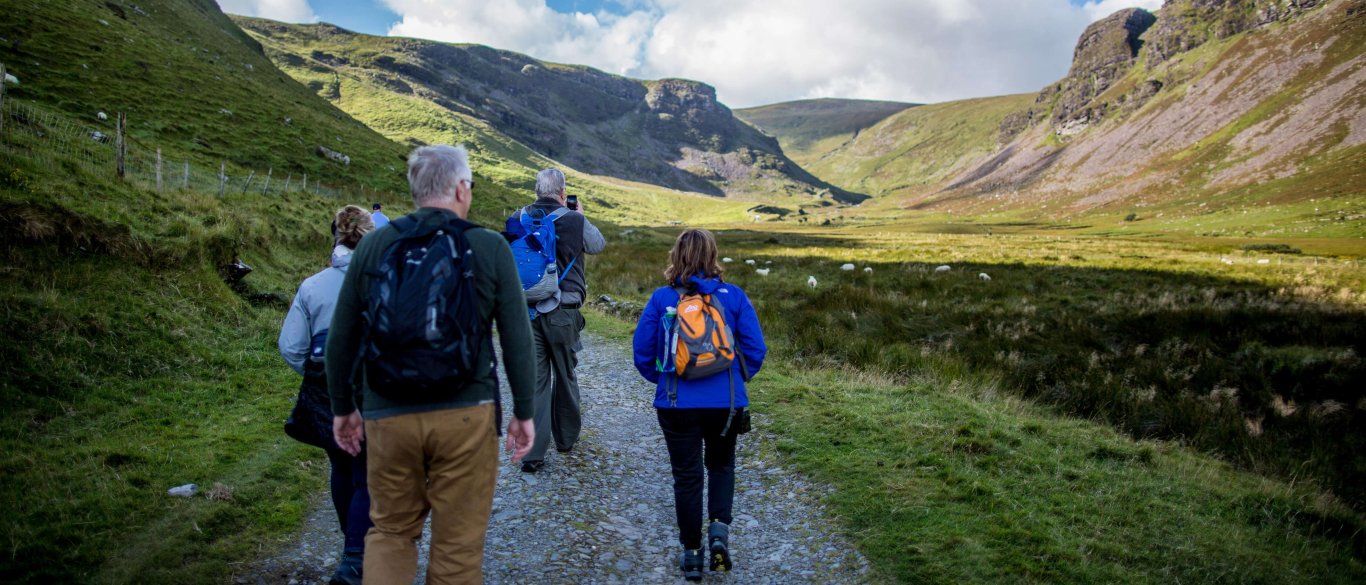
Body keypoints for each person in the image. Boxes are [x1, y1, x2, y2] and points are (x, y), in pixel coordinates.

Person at [325, 145, 537, 584]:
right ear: (461, 188)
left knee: (390, 532)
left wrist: (343, 407)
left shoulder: (375, 245)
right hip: (467, 414)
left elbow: (342, 337)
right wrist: (524, 412)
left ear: (416, 189)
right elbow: (518, 338)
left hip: (387, 412)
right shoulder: (489, 246)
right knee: (457, 548)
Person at [631, 228, 767, 581]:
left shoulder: (663, 299)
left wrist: (666, 381)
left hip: (676, 404)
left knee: (687, 477)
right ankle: (719, 532)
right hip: (727, 404)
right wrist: (735, 379)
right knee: (721, 466)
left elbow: (643, 354)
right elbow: (756, 351)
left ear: (677, 256)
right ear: (712, 256)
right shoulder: (734, 297)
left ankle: (692, 553)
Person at [278, 204, 376, 585]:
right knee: (370, 473)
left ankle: (351, 542)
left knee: (341, 466)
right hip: (375, 390)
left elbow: (291, 346)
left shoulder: (312, 285)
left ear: (335, 236)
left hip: (329, 394)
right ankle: (355, 559)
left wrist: (318, 376)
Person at [505, 168, 605, 473]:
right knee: (565, 374)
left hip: (527, 311)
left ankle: (533, 454)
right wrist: (580, 215)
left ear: (536, 190)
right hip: (564, 311)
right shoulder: (573, 219)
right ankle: (565, 440)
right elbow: (597, 245)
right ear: (562, 192)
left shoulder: (518, 217)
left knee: (536, 381)